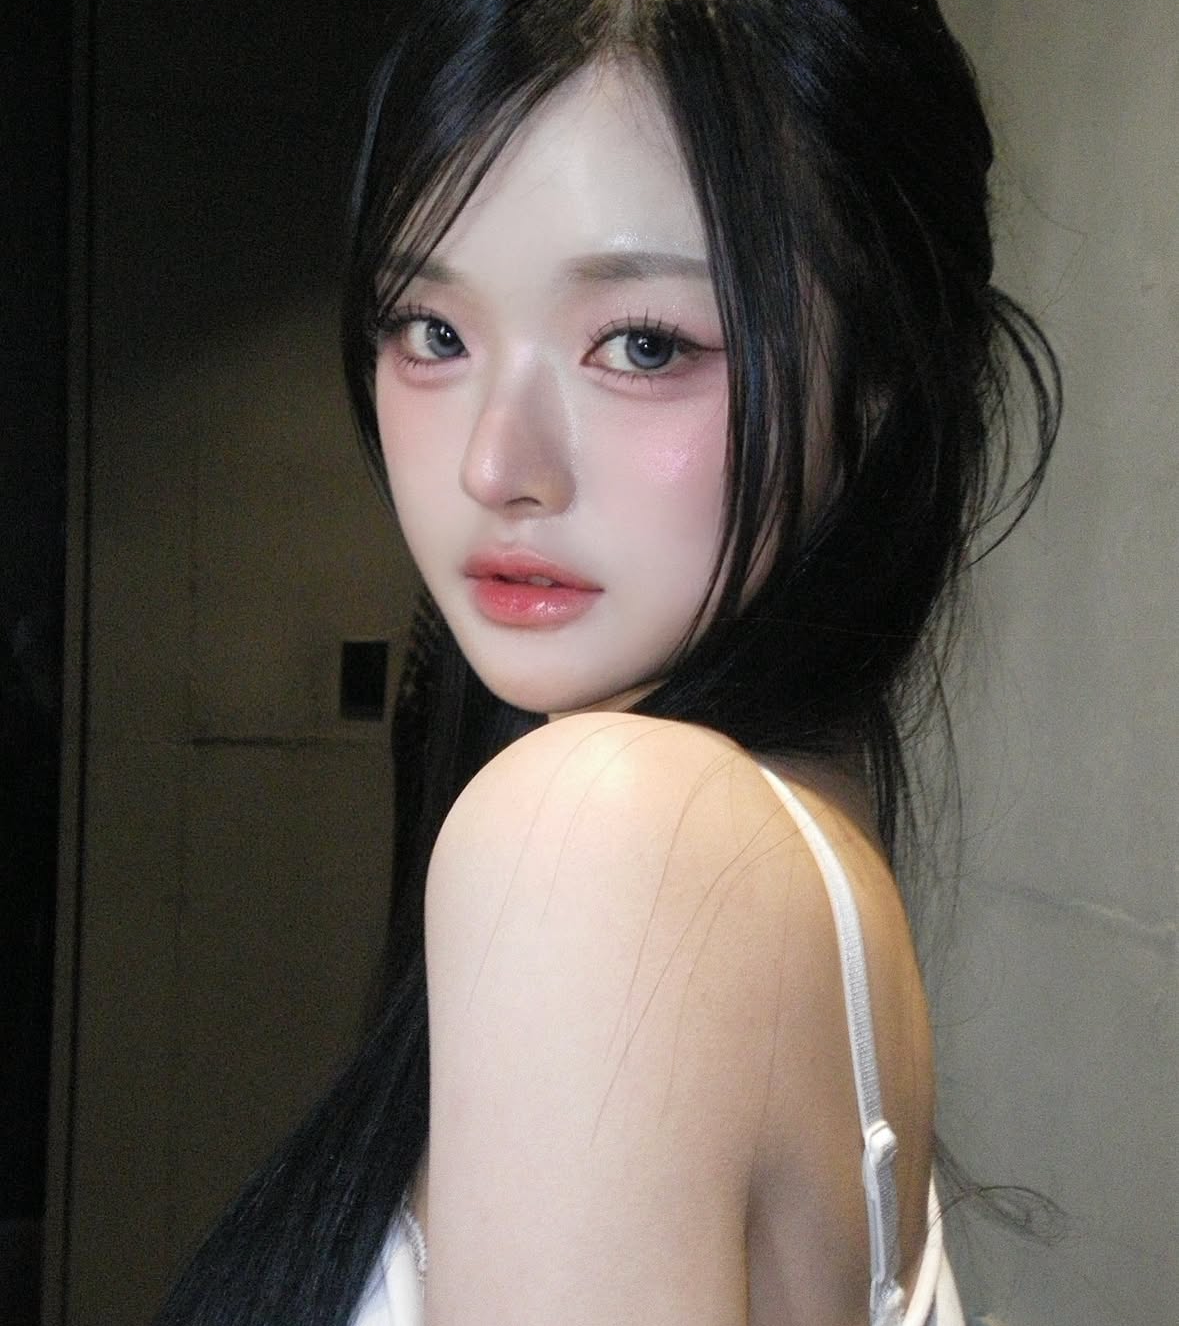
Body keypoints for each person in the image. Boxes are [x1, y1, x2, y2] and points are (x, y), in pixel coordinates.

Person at [156, 2, 1059, 1324]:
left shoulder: (613, 834)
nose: (493, 465)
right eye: (430, 330)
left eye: (642, 344)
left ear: (881, 377)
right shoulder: (786, 841)